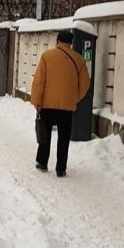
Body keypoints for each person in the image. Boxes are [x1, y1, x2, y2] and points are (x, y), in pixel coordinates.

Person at [30, 29, 90, 177]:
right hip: (66, 106)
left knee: (45, 134)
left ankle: (42, 162)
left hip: (46, 104)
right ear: (70, 42)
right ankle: (61, 168)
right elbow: (85, 84)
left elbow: (39, 81)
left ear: (57, 40)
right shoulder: (79, 60)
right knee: (64, 137)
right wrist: (74, 98)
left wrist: (37, 101)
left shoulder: (46, 56)